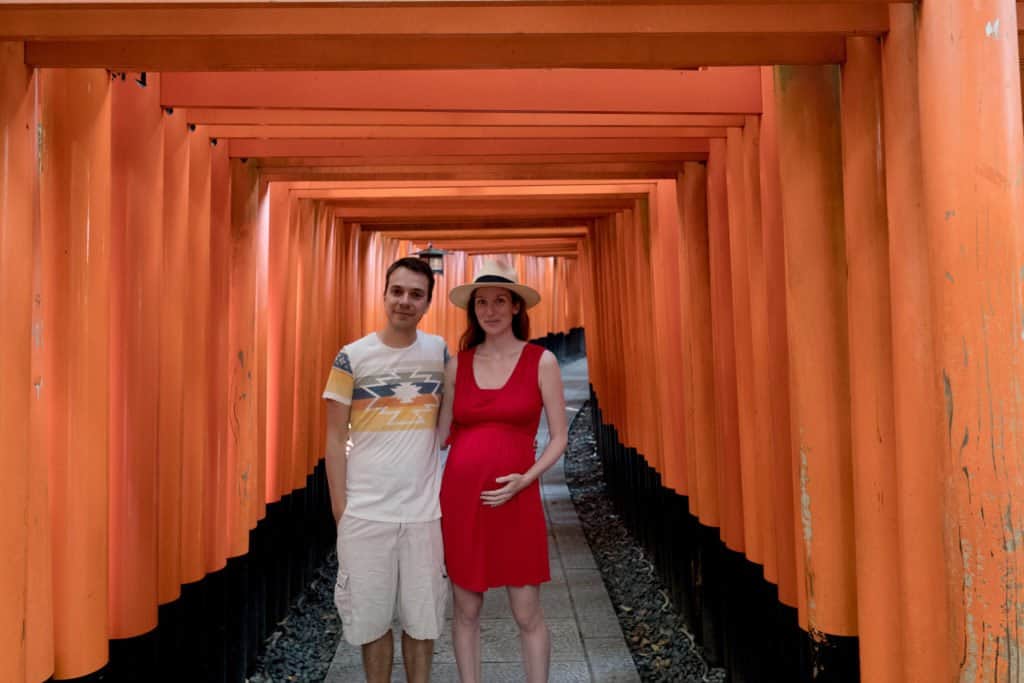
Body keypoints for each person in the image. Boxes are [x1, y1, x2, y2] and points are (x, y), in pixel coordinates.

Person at [437, 260, 569, 683]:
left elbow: (559, 438)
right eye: (481, 302)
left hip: (518, 496)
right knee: (466, 609)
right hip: (461, 498)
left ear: (515, 307)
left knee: (526, 610)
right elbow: (438, 434)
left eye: (499, 301)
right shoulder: (457, 365)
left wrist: (525, 479)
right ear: (472, 310)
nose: (490, 310)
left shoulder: (541, 360)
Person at [322, 256, 449, 683]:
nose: (405, 302)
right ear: (384, 294)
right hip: (366, 511)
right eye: (397, 291)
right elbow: (335, 438)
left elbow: (453, 421)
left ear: (428, 302)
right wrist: (342, 509)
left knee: (423, 620)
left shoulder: (439, 353)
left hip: (422, 512)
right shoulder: (351, 357)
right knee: (371, 624)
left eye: (416, 294)